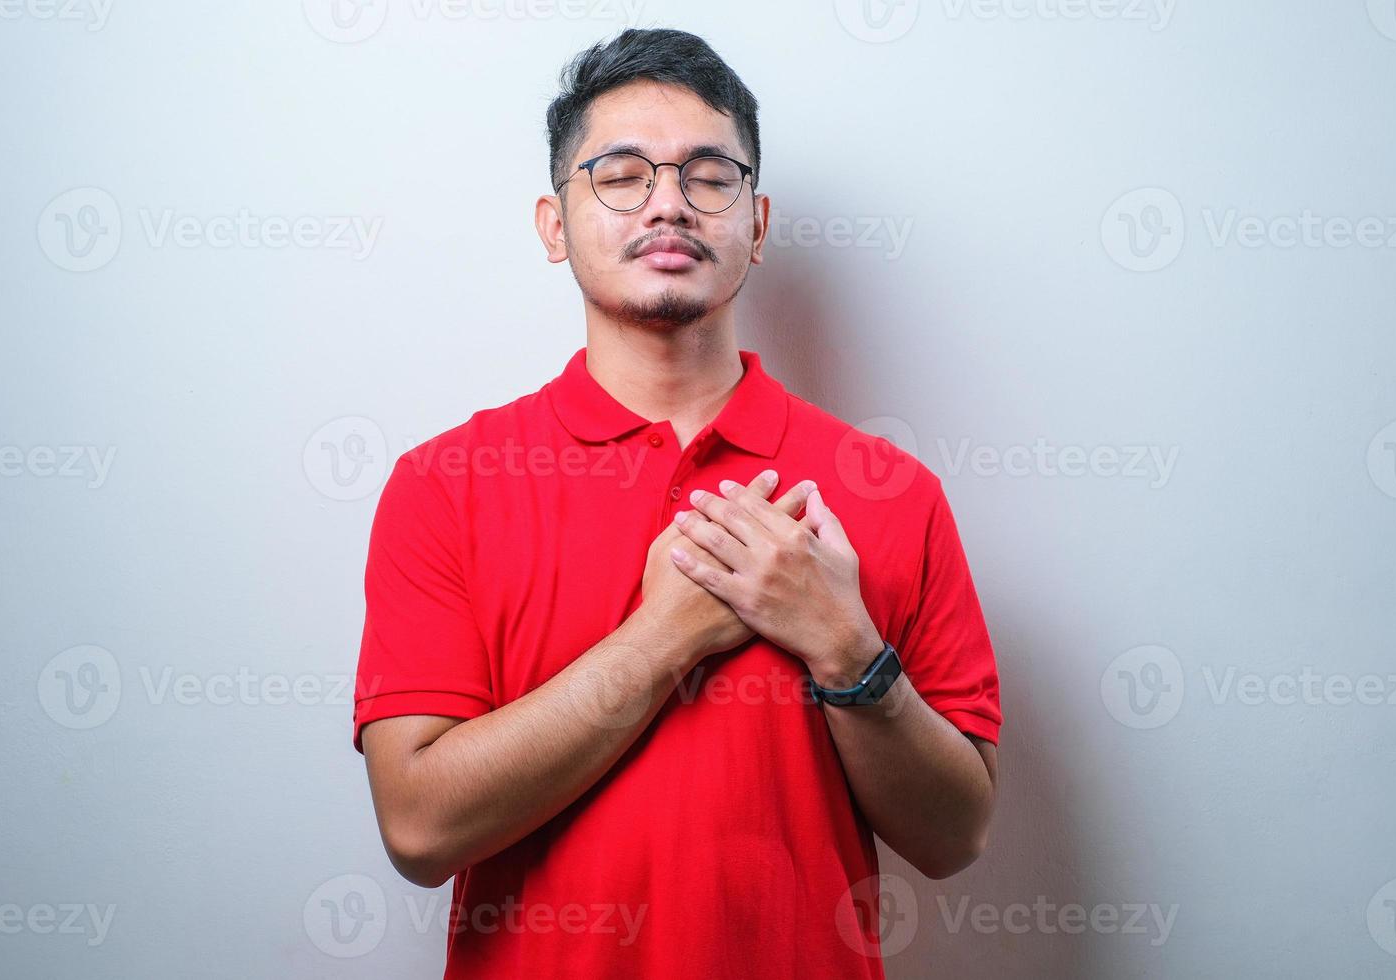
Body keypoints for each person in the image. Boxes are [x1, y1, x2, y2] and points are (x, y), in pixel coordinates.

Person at [353, 27, 1002, 979]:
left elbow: (956, 837)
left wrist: (842, 643)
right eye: (620, 174)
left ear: (758, 221)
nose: (668, 204)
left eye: (708, 176)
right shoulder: (445, 483)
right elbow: (419, 827)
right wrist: (669, 634)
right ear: (553, 222)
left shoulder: (891, 491)